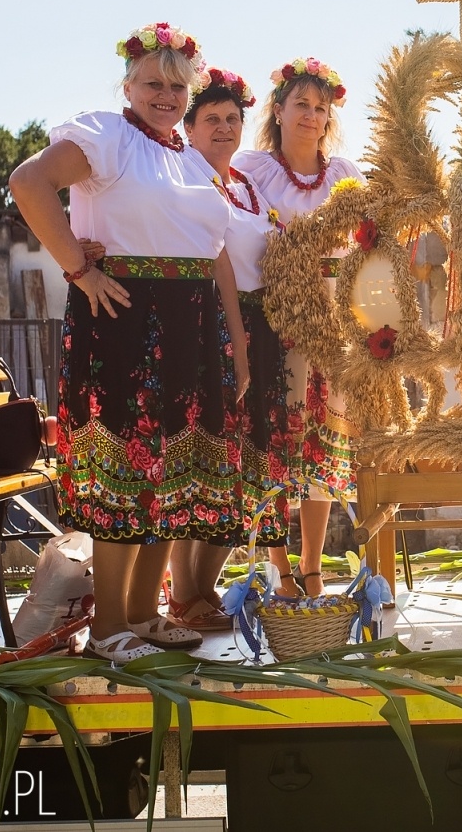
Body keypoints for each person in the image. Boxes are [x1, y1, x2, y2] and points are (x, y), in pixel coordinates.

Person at [9, 22, 251, 664]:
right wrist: (78, 268)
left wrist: (237, 345)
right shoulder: (107, 135)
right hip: (125, 320)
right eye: (153, 83)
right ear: (128, 84)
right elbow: (28, 183)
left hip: (192, 325)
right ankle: (107, 625)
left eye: (177, 85)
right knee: (129, 471)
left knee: (172, 475)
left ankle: (143, 614)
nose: (166, 95)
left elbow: (216, 254)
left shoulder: (187, 156)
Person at [232, 56, 363, 597]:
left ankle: (313, 567)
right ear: (279, 111)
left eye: (320, 107)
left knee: (322, 444)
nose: (311, 115)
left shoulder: (346, 176)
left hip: (332, 320)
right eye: (300, 105)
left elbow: (365, 244)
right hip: (274, 316)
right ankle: (278, 567)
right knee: (275, 442)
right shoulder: (254, 171)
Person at [161, 67, 268, 629]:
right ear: (191, 127)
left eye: (232, 119)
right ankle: (186, 593)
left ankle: (205, 586)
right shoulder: (184, 174)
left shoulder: (247, 184)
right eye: (211, 120)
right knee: (202, 457)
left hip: (255, 323)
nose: (223, 128)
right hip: (209, 322)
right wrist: (237, 342)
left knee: (246, 465)